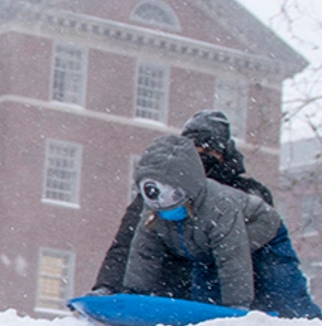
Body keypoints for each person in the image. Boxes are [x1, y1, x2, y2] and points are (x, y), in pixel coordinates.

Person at [121, 133, 322, 319]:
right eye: (153, 193)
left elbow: (232, 257)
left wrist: (237, 305)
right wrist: (134, 293)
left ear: (188, 187)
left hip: (261, 232)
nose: (164, 203)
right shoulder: (153, 213)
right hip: (208, 244)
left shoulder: (218, 206)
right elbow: (144, 253)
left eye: (173, 194)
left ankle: (309, 322)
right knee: (206, 294)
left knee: (280, 285)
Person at [92, 110, 274, 294]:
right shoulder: (161, 193)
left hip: (220, 292)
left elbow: (257, 255)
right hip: (166, 290)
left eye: (211, 150)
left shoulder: (246, 193)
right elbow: (127, 244)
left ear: (224, 153)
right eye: (196, 149)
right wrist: (108, 286)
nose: (203, 156)